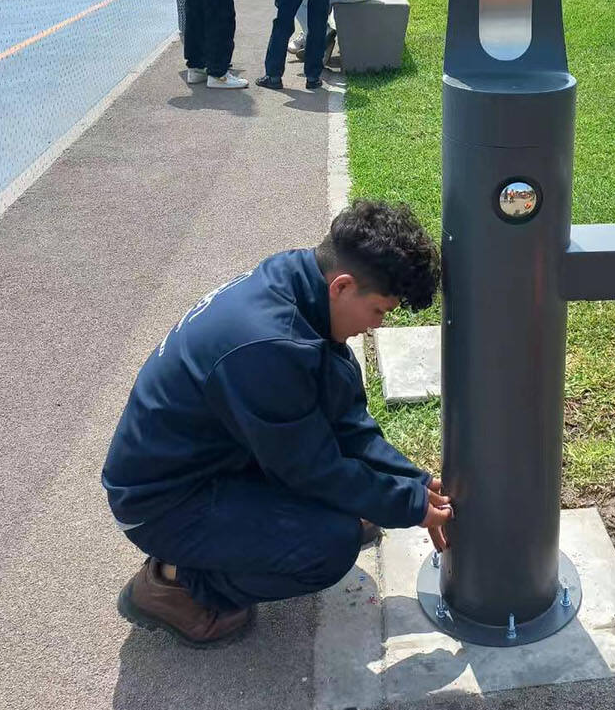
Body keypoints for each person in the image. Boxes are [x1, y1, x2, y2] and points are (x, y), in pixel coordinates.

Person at [103, 199, 450, 648]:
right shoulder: (269, 347)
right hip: (163, 501)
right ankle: (176, 584)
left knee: (350, 505)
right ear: (342, 287)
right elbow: (312, 469)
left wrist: (417, 485)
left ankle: (224, 543)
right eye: (380, 311)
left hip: (222, 456)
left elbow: (346, 425)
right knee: (329, 545)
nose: (376, 326)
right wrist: (411, 508)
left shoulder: (301, 284)